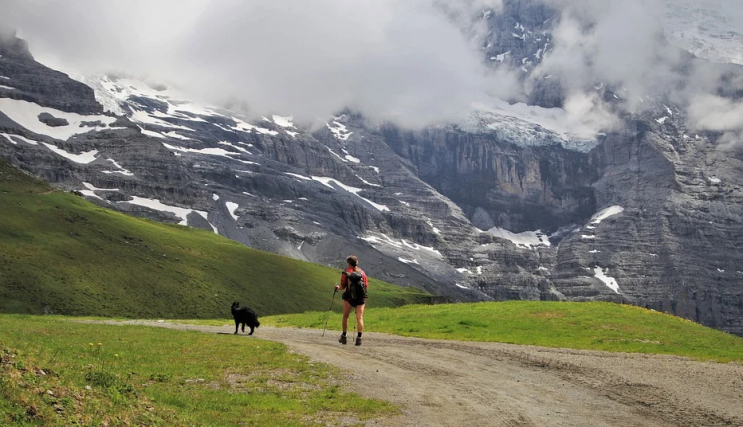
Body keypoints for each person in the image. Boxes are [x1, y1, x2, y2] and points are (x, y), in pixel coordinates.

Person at [334, 255, 368, 346]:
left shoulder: (346, 273)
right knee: (359, 318)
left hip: (349, 298)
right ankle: (359, 338)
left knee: (345, 316)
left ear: (349, 263)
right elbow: (366, 286)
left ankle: (344, 336)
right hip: (361, 298)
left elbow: (342, 286)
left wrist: (337, 288)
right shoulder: (362, 273)